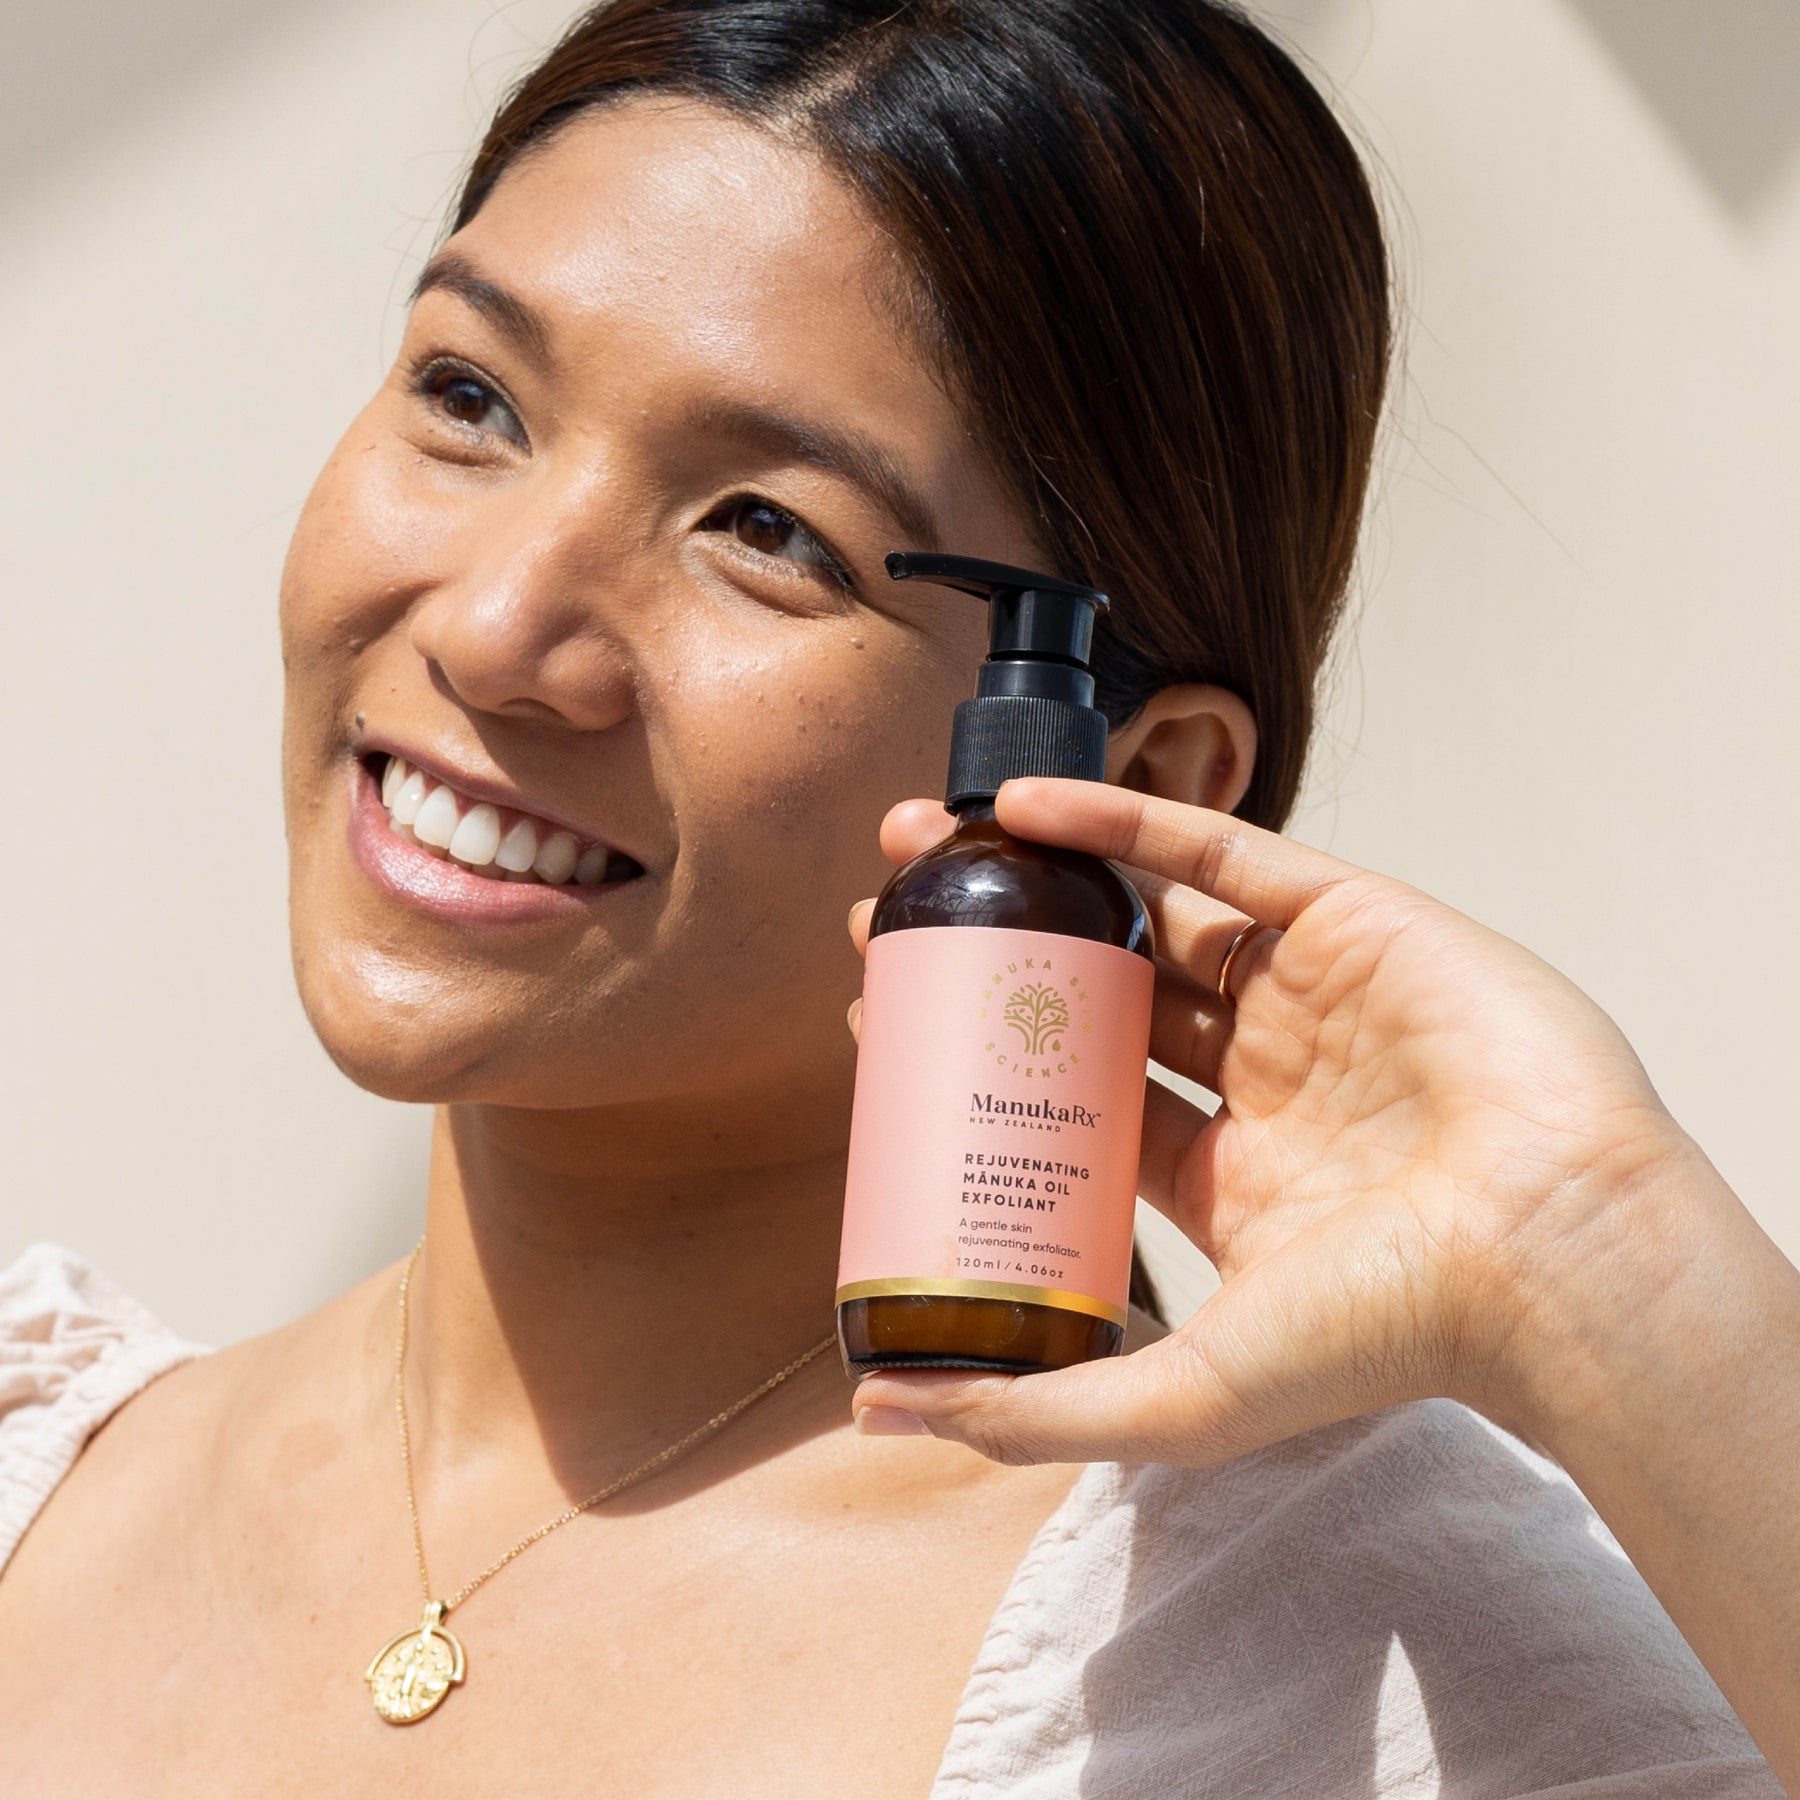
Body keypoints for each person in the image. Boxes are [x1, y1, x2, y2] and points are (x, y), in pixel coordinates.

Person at [0, 1, 1793, 1792]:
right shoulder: (40, 1468)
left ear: (1133, 783)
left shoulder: (1348, 1669)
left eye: (769, 531)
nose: (493, 628)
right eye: (470, 396)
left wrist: (1603, 1261)